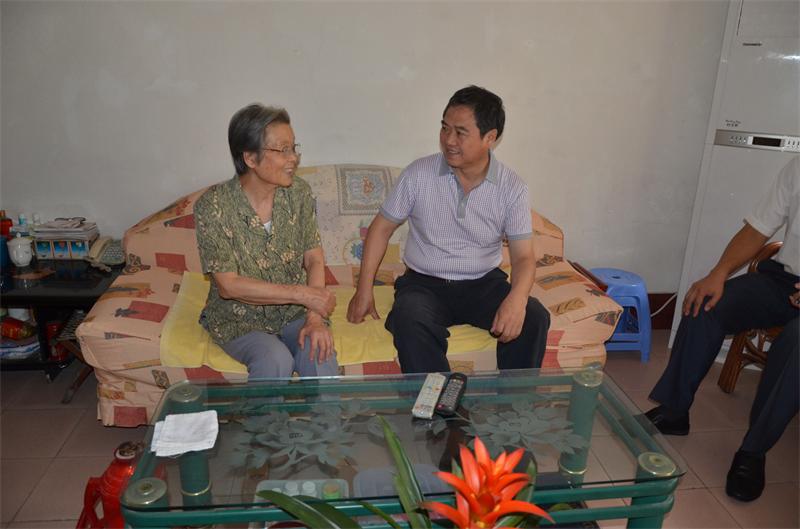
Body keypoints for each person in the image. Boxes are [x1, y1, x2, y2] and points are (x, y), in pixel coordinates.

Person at [346, 85, 550, 373]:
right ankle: (440, 399)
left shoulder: (511, 187)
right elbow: (380, 229)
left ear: (490, 137)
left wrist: (517, 300)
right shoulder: (418, 174)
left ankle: (514, 399)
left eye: (460, 132)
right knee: (409, 317)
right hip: (424, 284)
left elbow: (524, 257)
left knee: (534, 317)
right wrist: (363, 289)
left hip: (483, 284)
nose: (448, 140)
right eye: (445, 128)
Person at [645, 156, 799, 502]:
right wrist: (718, 273)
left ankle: (753, 451)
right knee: (706, 303)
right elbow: (757, 229)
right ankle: (674, 411)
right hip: (784, 281)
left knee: (795, 344)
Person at [194, 104, 338, 380]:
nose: (293, 158)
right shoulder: (213, 207)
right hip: (239, 319)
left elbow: (313, 258)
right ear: (250, 158)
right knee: (274, 359)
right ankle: (263, 412)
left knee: (319, 350)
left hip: (295, 314)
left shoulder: (299, 193)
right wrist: (301, 294)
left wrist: (314, 317)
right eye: (282, 150)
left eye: (293, 148)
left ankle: (328, 413)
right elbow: (228, 285)